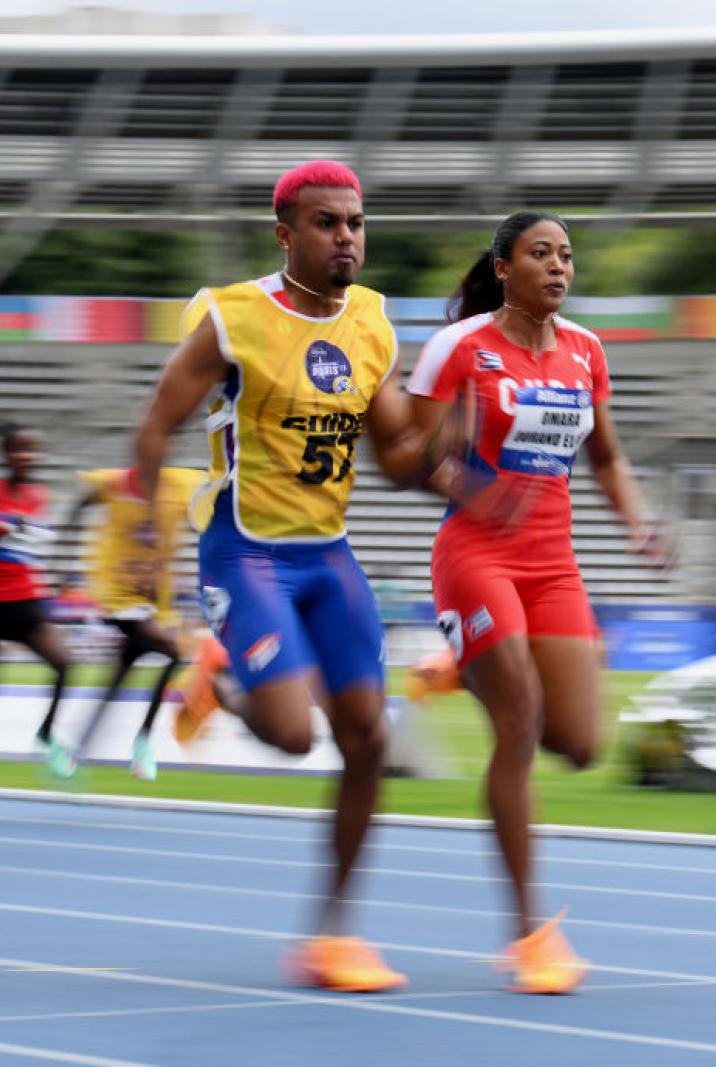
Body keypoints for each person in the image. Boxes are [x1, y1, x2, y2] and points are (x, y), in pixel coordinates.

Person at [131, 160, 437, 993]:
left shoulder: (373, 321)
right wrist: (147, 540)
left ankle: (333, 935)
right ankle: (220, 682)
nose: (346, 238)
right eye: (327, 223)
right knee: (295, 735)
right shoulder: (232, 319)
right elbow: (156, 426)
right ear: (285, 234)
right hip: (247, 550)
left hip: (328, 555)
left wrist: (457, 426)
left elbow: (399, 449)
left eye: (356, 223)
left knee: (370, 739)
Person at [407, 211, 660, 994]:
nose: (558, 267)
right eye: (541, 253)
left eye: (567, 256)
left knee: (578, 744)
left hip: (553, 564)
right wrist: (471, 485)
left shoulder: (586, 350)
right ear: (503, 267)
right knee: (517, 721)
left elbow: (606, 457)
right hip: (476, 554)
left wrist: (639, 521)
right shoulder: (461, 347)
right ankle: (529, 933)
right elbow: (417, 454)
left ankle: (463, 667)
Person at [42, 466, 204, 780]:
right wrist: (60, 560)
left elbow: (207, 509)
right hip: (120, 599)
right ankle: (142, 742)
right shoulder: (115, 483)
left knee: (118, 681)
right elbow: (79, 505)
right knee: (173, 651)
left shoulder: (180, 484)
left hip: (155, 605)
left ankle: (75, 753)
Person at [0, 424, 72, 751]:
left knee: (65, 664)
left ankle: (45, 733)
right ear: (6, 454)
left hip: (26, 601)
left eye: (30, 450)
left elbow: (33, 548)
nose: (25, 456)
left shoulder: (39, 496)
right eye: (19, 449)